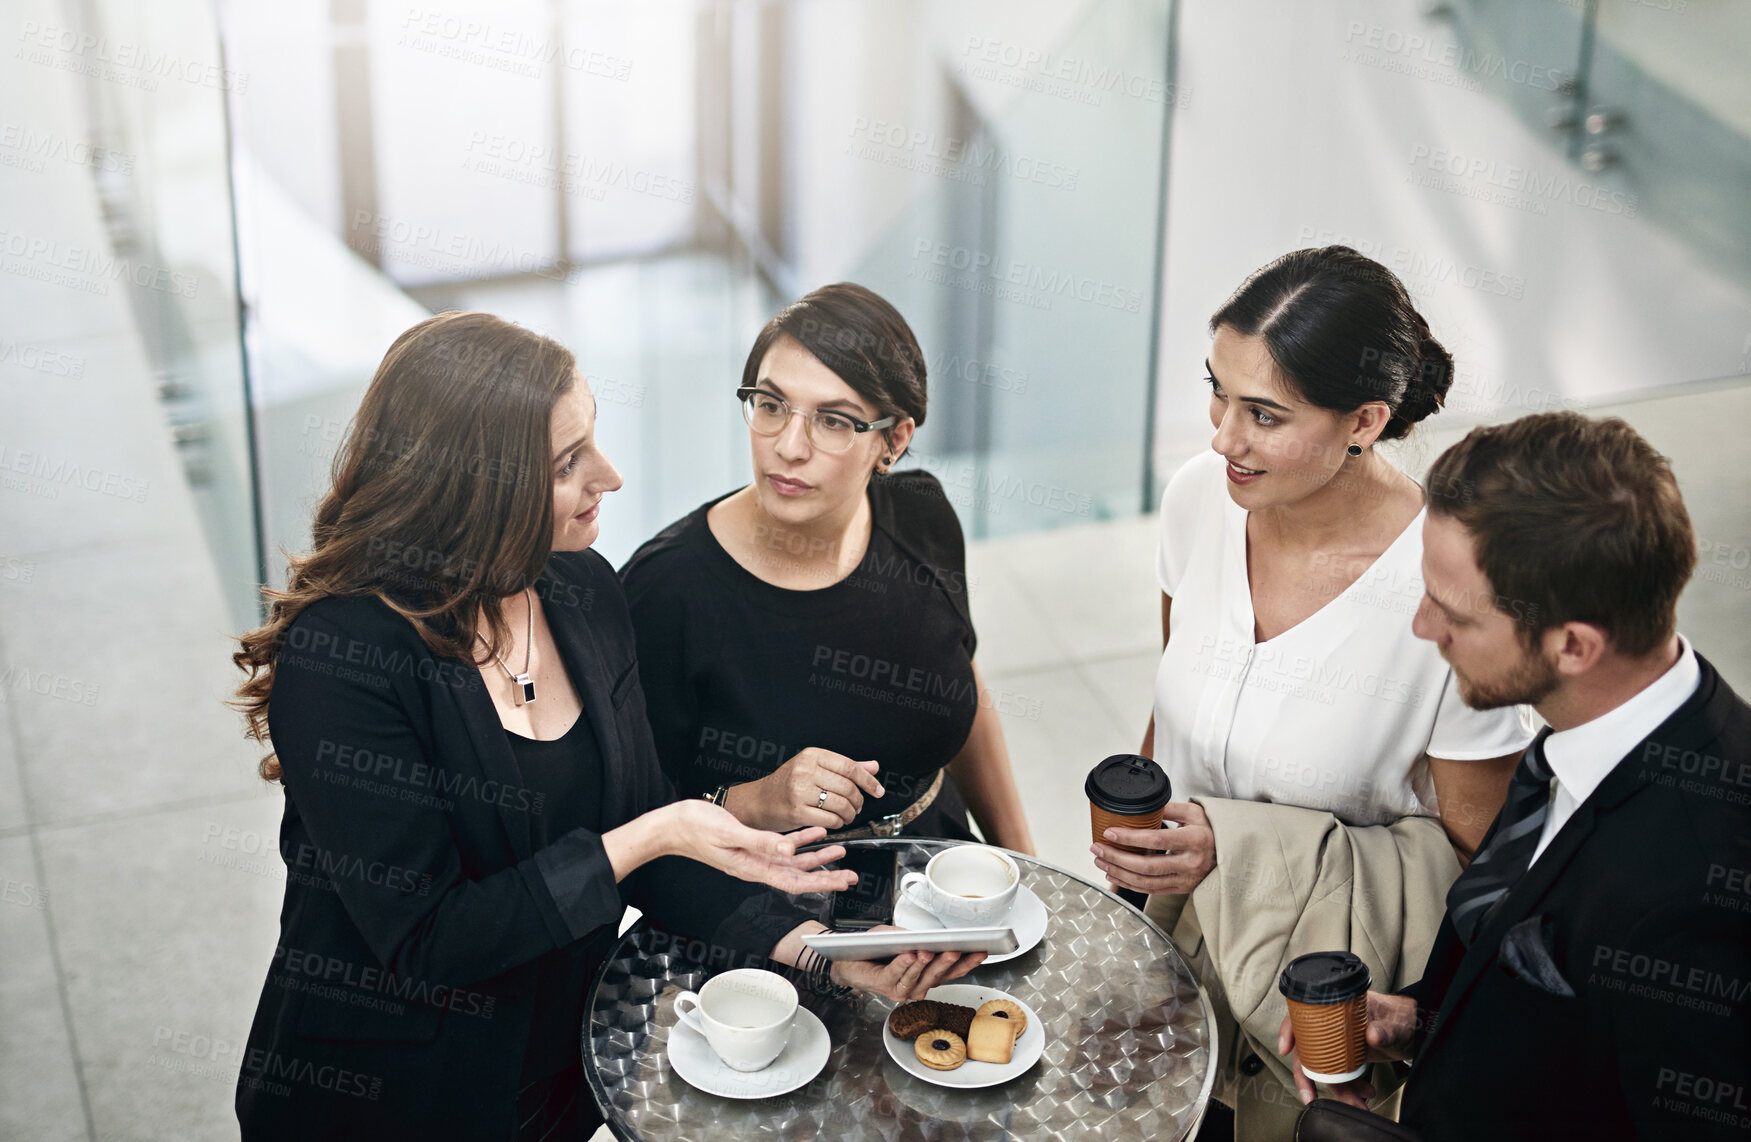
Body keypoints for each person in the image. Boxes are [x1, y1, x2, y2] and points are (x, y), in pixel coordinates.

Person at [230, 312, 982, 1141]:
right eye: (566, 463)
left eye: (593, 441)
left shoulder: (581, 591)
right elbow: (429, 940)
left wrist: (819, 948)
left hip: (560, 1078)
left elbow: (653, 838)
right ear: (473, 486)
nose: (610, 476)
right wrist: (644, 837)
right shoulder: (344, 657)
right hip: (389, 1097)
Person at [1091, 247, 1534, 1134]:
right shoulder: (1199, 499)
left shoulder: (1453, 586)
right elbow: (1174, 695)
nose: (1222, 436)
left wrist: (1242, 847)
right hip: (1168, 961)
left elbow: (1482, 864)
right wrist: (1136, 856)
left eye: (1264, 414)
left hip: (1319, 1010)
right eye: (1216, 390)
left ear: (1364, 420)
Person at [1281, 412, 1751, 1141]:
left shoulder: (1699, 894)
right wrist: (1422, 1019)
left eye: (1455, 615)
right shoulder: (1576, 727)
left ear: (1571, 645)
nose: (1421, 628)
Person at [621, 282, 1034, 852]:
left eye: (834, 420)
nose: (788, 446)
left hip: (942, 880)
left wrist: (1024, 867)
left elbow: (964, 690)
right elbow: (631, 815)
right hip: (767, 908)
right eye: (771, 405)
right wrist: (757, 801)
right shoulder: (665, 589)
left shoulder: (922, 513)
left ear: (893, 441)